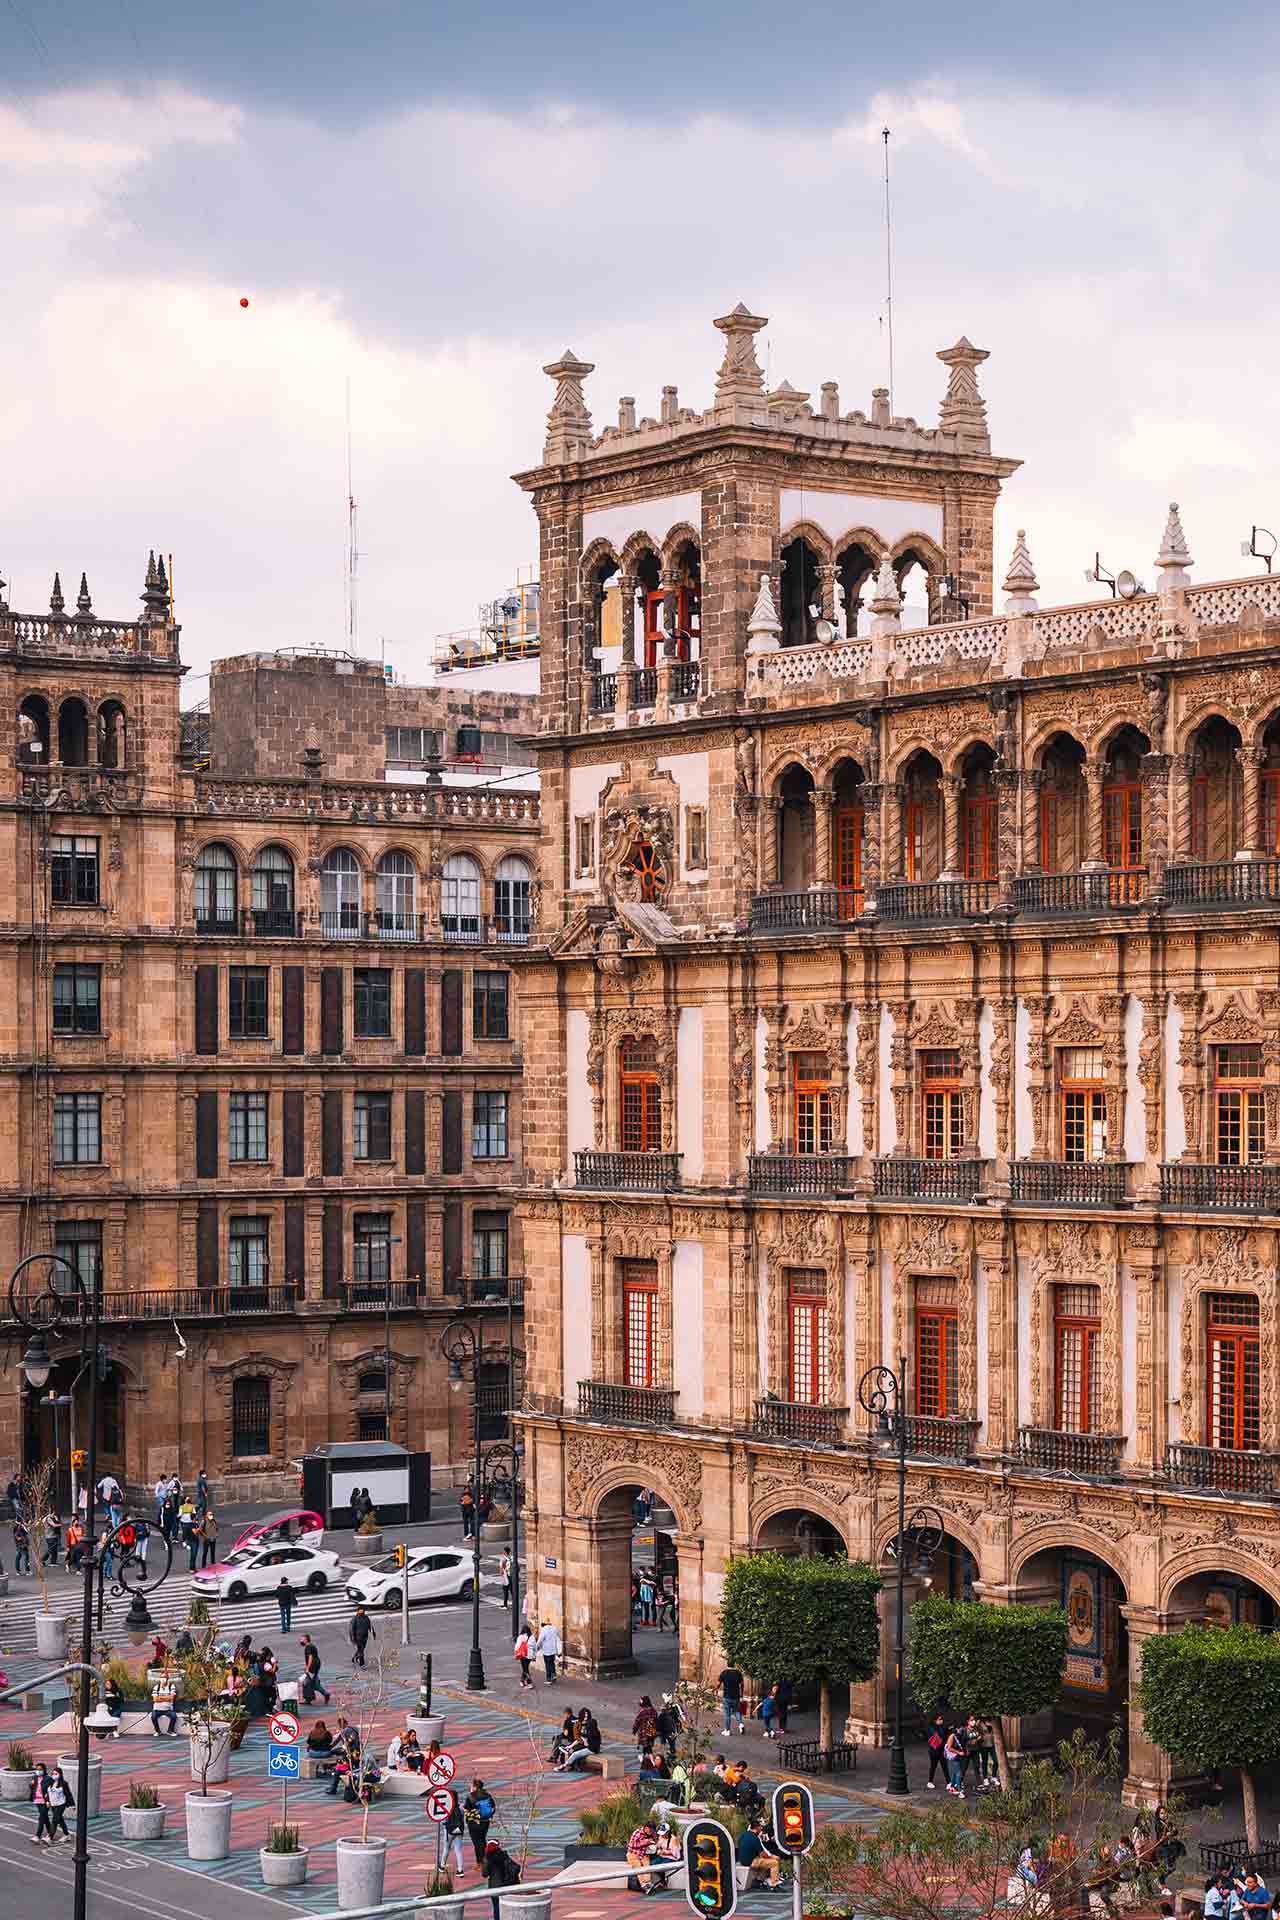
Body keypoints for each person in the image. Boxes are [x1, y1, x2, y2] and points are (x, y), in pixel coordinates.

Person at [737, 1817, 783, 1890]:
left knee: (764, 1862)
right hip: (751, 1862)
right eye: (760, 1827)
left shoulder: (743, 1835)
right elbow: (762, 1854)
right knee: (774, 1863)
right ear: (757, 1828)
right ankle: (774, 1884)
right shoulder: (755, 1838)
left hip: (742, 1860)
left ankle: (759, 1881)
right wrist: (773, 1857)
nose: (761, 1829)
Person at [482, 1839, 521, 1920]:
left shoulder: (488, 1858)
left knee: (496, 1908)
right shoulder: (504, 1855)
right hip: (507, 1885)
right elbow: (515, 1867)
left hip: (494, 1887)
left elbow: (485, 1874)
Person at [464, 1779, 496, 1865]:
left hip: (474, 1823)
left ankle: (481, 1862)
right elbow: (493, 1807)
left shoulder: (471, 1796)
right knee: (482, 1840)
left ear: (475, 1787)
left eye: (472, 1786)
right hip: (485, 1822)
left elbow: (466, 1809)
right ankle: (483, 1860)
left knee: (477, 1843)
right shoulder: (487, 1795)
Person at [627, 1819, 661, 1894]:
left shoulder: (652, 1834)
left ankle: (648, 1884)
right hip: (633, 1853)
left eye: (652, 1830)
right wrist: (645, 1842)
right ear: (646, 1828)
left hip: (644, 1854)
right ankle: (644, 1885)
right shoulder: (637, 1833)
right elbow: (632, 1845)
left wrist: (655, 1844)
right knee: (638, 1866)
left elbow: (656, 1842)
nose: (651, 1832)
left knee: (647, 1867)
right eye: (650, 1830)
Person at [441, 1788, 467, 1877]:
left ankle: (442, 1866)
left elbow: (444, 1821)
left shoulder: (447, 1808)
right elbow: (463, 1818)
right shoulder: (461, 1808)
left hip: (449, 1831)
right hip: (459, 1831)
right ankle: (460, 1870)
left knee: (446, 1848)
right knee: (458, 1850)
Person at [45, 1767, 73, 1845]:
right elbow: (47, 1793)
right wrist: (47, 1801)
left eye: (56, 1774)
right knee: (60, 1820)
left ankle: (50, 1837)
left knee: (55, 1820)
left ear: (60, 1775)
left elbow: (68, 1794)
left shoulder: (64, 1783)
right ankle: (67, 1835)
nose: (54, 1775)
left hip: (61, 1804)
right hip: (53, 1804)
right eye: (53, 1774)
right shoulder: (50, 1782)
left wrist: (72, 1805)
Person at [301, 1633, 330, 1705]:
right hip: (315, 1665)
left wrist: (307, 1668)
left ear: (306, 1640)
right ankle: (325, 1694)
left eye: (302, 1639)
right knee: (314, 1683)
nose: (301, 1641)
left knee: (306, 1683)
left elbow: (310, 1657)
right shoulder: (311, 1646)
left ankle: (308, 1699)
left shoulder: (308, 1647)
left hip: (312, 1667)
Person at [29, 1762, 53, 1846]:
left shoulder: (48, 1778)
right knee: (45, 1817)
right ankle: (50, 1833)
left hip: (45, 1801)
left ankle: (37, 1836)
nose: (38, 1771)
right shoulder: (35, 1777)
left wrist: (49, 1800)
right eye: (37, 1769)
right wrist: (31, 1784)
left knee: (41, 1818)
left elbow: (52, 1789)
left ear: (44, 1770)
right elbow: (32, 1788)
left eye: (40, 1769)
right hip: (37, 1800)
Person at [718, 1661, 745, 1734]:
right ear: (734, 1664)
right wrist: (741, 1694)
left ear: (727, 1664)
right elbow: (742, 1684)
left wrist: (715, 1689)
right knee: (737, 1711)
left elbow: (718, 1683)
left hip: (727, 1696)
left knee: (727, 1714)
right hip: (736, 1696)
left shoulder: (724, 1673)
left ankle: (727, 1730)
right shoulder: (738, 1673)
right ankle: (740, 1724)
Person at [151, 1669, 178, 1736]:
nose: (163, 1679)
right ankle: (158, 1731)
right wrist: (167, 1698)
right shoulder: (156, 1687)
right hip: (157, 1709)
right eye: (162, 1677)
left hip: (168, 1710)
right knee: (153, 1717)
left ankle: (170, 1730)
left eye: (165, 1677)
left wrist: (160, 1697)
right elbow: (155, 1699)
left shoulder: (171, 1686)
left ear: (167, 1679)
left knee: (174, 1716)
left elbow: (172, 1698)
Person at [536, 1618, 561, 1684]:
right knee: (552, 1663)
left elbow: (540, 1640)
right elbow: (558, 1638)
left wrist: (537, 1647)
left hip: (546, 1650)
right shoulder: (554, 1629)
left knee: (547, 1664)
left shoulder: (544, 1630)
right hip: (553, 1650)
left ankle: (549, 1679)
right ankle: (553, 1674)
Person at [944, 1724, 966, 1795]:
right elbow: (949, 1748)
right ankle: (959, 1790)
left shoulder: (959, 1736)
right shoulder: (952, 1736)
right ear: (956, 1729)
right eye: (959, 1728)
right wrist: (959, 1752)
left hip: (958, 1756)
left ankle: (952, 1787)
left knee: (954, 1773)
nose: (961, 1729)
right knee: (958, 1773)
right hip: (954, 1757)